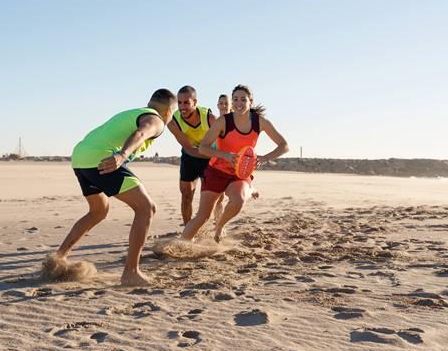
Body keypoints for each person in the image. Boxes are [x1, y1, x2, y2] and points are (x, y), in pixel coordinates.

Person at [53, 89, 177, 286]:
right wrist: (122, 155)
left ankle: (57, 259)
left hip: (80, 157)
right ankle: (131, 273)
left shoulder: (135, 112)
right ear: (170, 111)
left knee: (98, 211)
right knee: (146, 208)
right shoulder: (157, 120)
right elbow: (142, 132)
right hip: (102, 158)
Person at [181, 84, 289, 243]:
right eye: (235, 99)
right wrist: (225, 155)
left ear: (250, 101)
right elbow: (203, 148)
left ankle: (219, 226)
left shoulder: (260, 122)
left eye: (243, 99)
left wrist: (265, 158)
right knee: (203, 216)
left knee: (238, 200)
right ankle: (180, 244)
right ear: (232, 103)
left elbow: (284, 146)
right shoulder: (224, 121)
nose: (239, 103)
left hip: (240, 173)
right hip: (216, 171)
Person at [168, 85, 222, 224]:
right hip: (190, 157)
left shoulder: (210, 118)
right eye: (179, 102)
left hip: (211, 158)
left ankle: (218, 224)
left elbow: (224, 141)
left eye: (186, 102)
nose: (182, 107)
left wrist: (220, 156)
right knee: (186, 195)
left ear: (195, 102)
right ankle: (187, 231)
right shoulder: (173, 122)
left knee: (213, 197)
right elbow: (189, 148)